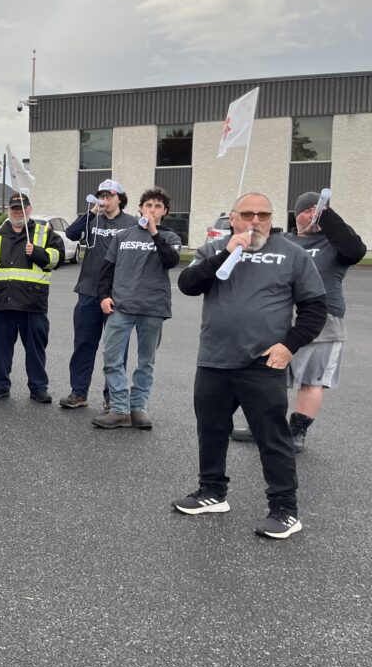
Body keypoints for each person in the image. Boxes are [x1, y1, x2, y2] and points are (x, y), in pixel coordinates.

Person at [173, 192, 326, 540]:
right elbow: (188, 285)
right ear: (233, 218)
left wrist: (289, 346)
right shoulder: (214, 250)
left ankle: (285, 510)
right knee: (211, 430)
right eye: (248, 214)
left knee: (272, 437)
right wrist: (227, 252)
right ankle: (212, 492)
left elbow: (315, 307)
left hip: (262, 363)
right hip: (214, 359)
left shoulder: (292, 254)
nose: (256, 221)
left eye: (264, 215)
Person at [231, 191, 367, 449]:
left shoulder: (334, 243)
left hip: (323, 320)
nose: (313, 213)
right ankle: (263, 425)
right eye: (308, 209)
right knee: (271, 375)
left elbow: (355, 249)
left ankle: (296, 432)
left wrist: (327, 216)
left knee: (311, 380)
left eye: (318, 209)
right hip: (280, 316)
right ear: (296, 215)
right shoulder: (284, 240)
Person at [91, 187, 181, 430]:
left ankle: (138, 408)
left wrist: (155, 234)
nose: (152, 210)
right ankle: (119, 409)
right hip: (121, 307)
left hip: (153, 308)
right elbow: (106, 270)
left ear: (165, 212)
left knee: (146, 361)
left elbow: (171, 261)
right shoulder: (123, 236)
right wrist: (103, 296)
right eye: (148, 205)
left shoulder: (170, 238)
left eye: (158, 206)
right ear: (140, 208)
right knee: (111, 357)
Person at [0, 193, 64, 404]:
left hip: (32, 302)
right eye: (14, 208)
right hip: (1, 302)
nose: (18, 212)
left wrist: (38, 253)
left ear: (29, 209)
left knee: (35, 349)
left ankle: (38, 388)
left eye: (22, 208)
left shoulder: (44, 233)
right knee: (0, 349)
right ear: (8, 211)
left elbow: (57, 258)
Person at [60, 179, 137, 411]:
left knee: (115, 348)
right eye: (101, 195)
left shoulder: (131, 223)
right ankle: (79, 392)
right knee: (84, 343)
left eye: (109, 196)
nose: (104, 200)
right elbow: (71, 234)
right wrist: (92, 212)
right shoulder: (93, 220)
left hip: (118, 294)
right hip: (88, 291)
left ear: (119, 199)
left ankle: (112, 396)